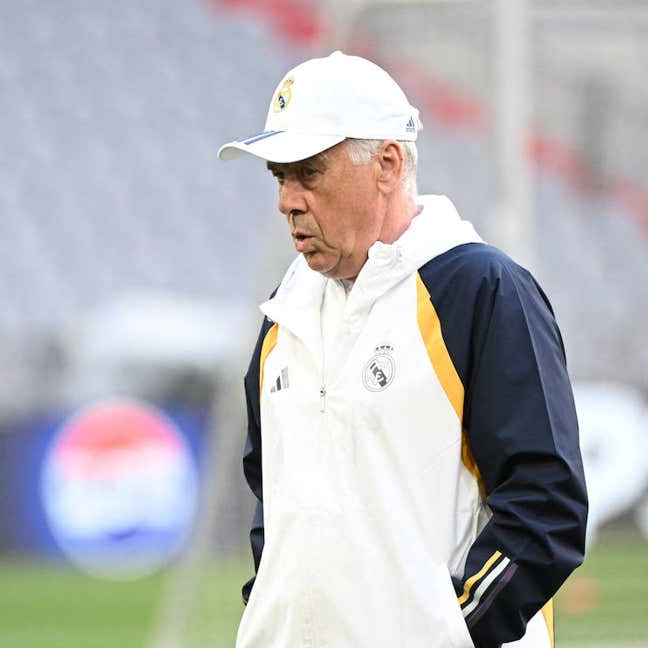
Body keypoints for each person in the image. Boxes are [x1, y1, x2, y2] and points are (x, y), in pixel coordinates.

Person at [217, 51, 588, 648]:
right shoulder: (282, 312)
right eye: (278, 176)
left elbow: (547, 506)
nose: (286, 200)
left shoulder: (481, 290)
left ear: (388, 164)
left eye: (308, 171)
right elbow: (275, 497)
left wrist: (451, 633)